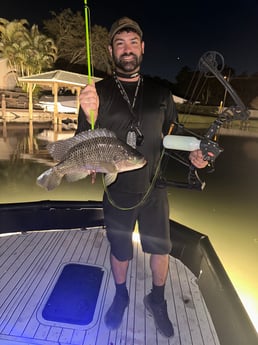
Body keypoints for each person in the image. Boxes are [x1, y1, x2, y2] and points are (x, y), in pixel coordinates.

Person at [76, 17, 208, 338]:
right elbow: (83, 139)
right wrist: (86, 110)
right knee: (120, 250)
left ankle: (157, 299)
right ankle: (121, 296)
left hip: (155, 188)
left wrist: (195, 157)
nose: (127, 49)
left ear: (143, 48)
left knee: (160, 250)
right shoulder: (98, 93)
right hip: (117, 190)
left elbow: (173, 142)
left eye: (133, 43)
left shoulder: (162, 94)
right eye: (120, 43)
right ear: (111, 50)